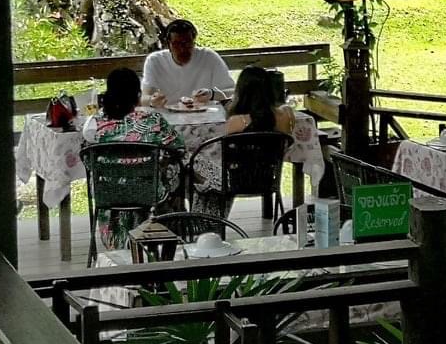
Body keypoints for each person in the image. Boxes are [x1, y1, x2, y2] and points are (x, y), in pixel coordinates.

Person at [87, 67, 183, 250]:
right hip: (150, 195)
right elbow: (178, 148)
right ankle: (168, 234)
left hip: (108, 195)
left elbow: (87, 158)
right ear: (138, 95)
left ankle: (119, 243)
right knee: (176, 174)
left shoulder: (94, 123)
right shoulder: (153, 120)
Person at [193, 66, 297, 213]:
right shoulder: (285, 115)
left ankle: (201, 216)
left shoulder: (237, 121)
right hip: (268, 178)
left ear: (241, 90)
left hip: (235, 179)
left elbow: (219, 149)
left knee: (193, 164)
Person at [141, 18, 234, 107]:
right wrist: (151, 101)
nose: (182, 49)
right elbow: (143, 97)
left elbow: (232, 92)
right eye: (177, 44)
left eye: (187, 43)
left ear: (194, 42)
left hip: (203, 117)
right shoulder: (155, 61)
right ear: (168, 44)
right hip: (167, 116)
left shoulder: (208, 57)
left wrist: (212, 94)